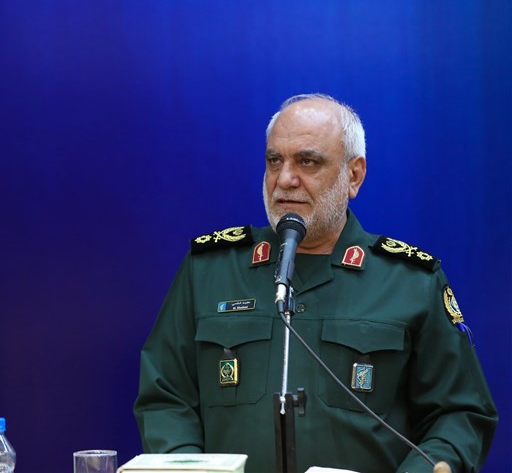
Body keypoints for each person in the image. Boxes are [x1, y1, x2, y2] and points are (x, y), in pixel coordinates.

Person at [134, 94, 497, 473]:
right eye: (275, 160)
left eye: (307, 162)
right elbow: (166, 398)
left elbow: (460, 413)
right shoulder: (210, 270)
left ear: (353, 176)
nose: (285, 180)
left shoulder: (409, 281)